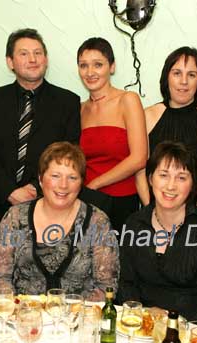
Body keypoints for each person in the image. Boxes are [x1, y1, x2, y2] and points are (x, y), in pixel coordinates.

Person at [0, 28, 81, 229]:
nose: (33, 59)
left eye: (38, 53)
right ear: (10, 62)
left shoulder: (68, 102)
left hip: (46, 205)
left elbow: (68, 154)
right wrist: (9, 192)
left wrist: (33, 188)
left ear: (45, 59)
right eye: (24, 53)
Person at [118, 142, 197, 329]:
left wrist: (177, 324)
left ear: (193, 183)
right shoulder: (134, 224)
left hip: (193, 330)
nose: (171, 186)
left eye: (181, 177)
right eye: (163, 175)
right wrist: (143, 315)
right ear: (150, 178)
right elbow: (125, 284)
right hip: (140, 326)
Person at [0, 142, 118, 301]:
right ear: (40, 179)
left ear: (81, 184)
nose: (63, 185)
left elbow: (106, 286)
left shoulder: (97, 222)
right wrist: (17, 309)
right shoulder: (15, 217)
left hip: (79, 320)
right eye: (55, 176)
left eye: (72, 177)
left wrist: (74, 317)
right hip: (23, 317)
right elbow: (1, 277)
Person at [137, 47, 197, 210]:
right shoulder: (147, 115)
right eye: (177, 73)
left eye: (191, 75)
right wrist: (152, 213)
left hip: (196, 210)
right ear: (167, 77)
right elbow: (141, 171)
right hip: (154, 210)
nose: (183, 81)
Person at [77, 37, 147, 231]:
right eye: (83, 66)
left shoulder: (128, 100)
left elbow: (139, 158)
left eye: (98, 65)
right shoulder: (79, 109)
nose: (90, 72)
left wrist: (95, 185)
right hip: (86, 201)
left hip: (121, 202)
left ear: (112, 67)